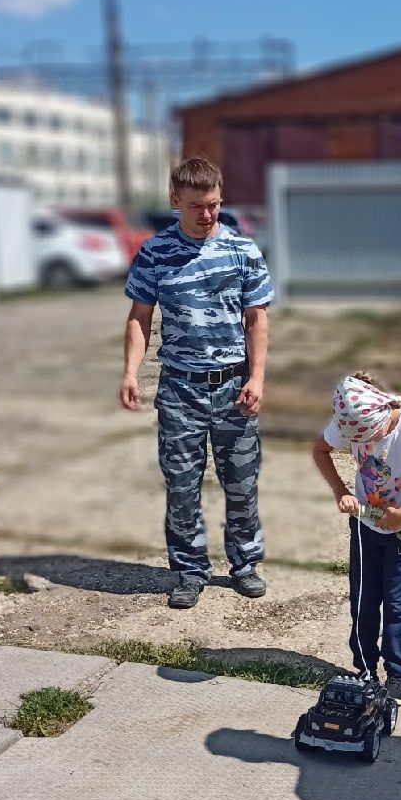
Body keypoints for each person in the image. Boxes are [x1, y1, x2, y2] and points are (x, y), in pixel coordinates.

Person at [120, 157, 273, 609]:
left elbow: (256, 320)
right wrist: (130, 371)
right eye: (196, 207)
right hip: (180, 389)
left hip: (233, 386)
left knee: (242, 483)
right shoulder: (154, 253)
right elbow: (139, 318)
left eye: (214, 205)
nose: (207, 215)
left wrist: (258, 378)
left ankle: (245, 565)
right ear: (175, 201)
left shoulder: (243, 252)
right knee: (182, 485)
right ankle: (189, 570)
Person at [312, 372, 401, 703]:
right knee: (363, 602)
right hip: (364, 525)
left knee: (398, 605)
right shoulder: (350, 420)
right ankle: (364, 669)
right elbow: (320, 451)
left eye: (371, 437)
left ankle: (397, 675)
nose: (367, 444)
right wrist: (341, 492)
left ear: (380, 419)